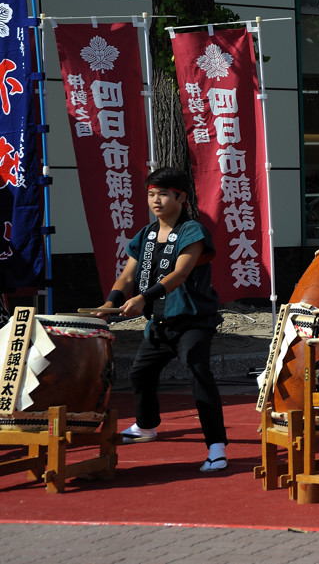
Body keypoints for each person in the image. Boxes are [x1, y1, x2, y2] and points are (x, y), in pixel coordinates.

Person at [97, 167, 228, 473]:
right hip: (159, 323)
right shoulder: (146, 235)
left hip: (193, 322)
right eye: (151, 194)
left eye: (164, 194)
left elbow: (180, 274)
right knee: (140, 374)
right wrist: (110, 302)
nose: (156, 201)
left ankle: (217, 447)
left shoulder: (193, 231)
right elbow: (128, 275)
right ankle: (146, 426)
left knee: (199, 373)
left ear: (180, 197)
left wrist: (143, 298)